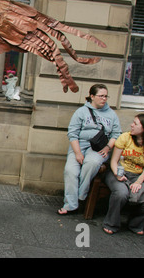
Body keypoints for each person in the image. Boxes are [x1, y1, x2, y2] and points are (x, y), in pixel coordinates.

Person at [58, 84, 122, 215]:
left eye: (106, 96)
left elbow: (116, 134)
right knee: (70, 171)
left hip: (99, 147)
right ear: (92, 96)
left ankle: (80, 196)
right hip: (79, 145)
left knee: (92, 163)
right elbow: (72, 133)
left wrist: (108, 147)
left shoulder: (111, 114)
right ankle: (70, 205)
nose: (104, 99)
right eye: (101, 96)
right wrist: (77, 153)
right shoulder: (81, 112)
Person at [102, 114, 144, 235]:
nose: (131, 125)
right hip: (118, 172)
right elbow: (114, 161)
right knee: (121, 193)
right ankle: (111, 223)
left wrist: (139, 182)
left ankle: (135, 223)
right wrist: (117, 174)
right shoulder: (125, 137)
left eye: (135, 123)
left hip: (139, 176)